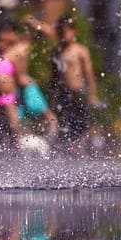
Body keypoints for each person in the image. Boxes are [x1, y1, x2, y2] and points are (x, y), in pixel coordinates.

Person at [41, 15, 100, 154]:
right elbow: (54, 76)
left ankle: (82, 149)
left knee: (82, 124)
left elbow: (89, 74)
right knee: (64, 124)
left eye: (66, 31)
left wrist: (92, 94)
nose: (63, 35)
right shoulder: (57, 52)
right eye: (60, 32)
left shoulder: (80, 50)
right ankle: (68, 152)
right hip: (63, 93)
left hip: (77, 92)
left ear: (74, 32)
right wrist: (51, 97)